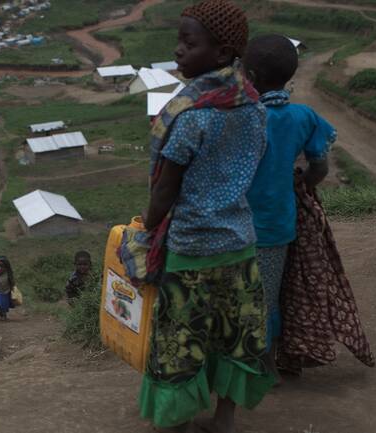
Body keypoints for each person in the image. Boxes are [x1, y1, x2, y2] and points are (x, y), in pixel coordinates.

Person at [139, 2, 274, 432]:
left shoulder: (191, 117)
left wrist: (147, 225)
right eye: (179, 40)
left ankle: (177, 421)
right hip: (240, 245)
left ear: (222, 53)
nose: (178, 50)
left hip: (190, 250)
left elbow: (166, 188)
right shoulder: (254, 108)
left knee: (180, 340)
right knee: (236, 335)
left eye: (189, 43)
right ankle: (224, 420)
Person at [242, 34, 334, 383]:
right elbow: (320, 168)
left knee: (245, 297)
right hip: (278, 223)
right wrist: (301, 183)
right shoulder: (303, 116)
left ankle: (256, 367)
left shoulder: (243, 117)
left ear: (250, 76)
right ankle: (270, 360)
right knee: (270, 295)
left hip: (236, 225)